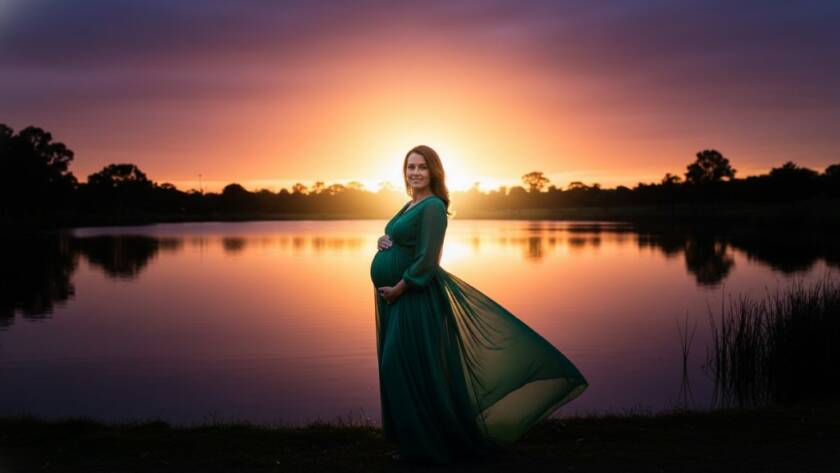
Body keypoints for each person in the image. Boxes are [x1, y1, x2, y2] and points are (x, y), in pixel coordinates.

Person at [369, 145, 588, 464]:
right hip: (397, 299)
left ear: (433, 172)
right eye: (410, 167)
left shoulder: (433, 206)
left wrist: (400, 288)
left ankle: (426, 447)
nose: (415, 172)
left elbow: (428, 260)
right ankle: (414, 443)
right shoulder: (410, 204)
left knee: (397, 366)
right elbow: (403, 239)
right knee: (409, 370)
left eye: (422, 167)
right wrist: (383, 241)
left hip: (413, 298)